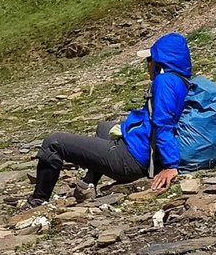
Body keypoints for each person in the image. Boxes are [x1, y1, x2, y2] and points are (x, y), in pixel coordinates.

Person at [27, 32, 192, 207]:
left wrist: (171, 165)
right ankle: (88, 183)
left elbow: (163, 124)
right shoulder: (181, 81)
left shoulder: (164, 82)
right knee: (104, 128)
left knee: (53, 142)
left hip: (132, 160)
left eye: (149, 60)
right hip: (141, 149)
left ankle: (38, 200)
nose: (147, 65)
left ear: (160, 61)